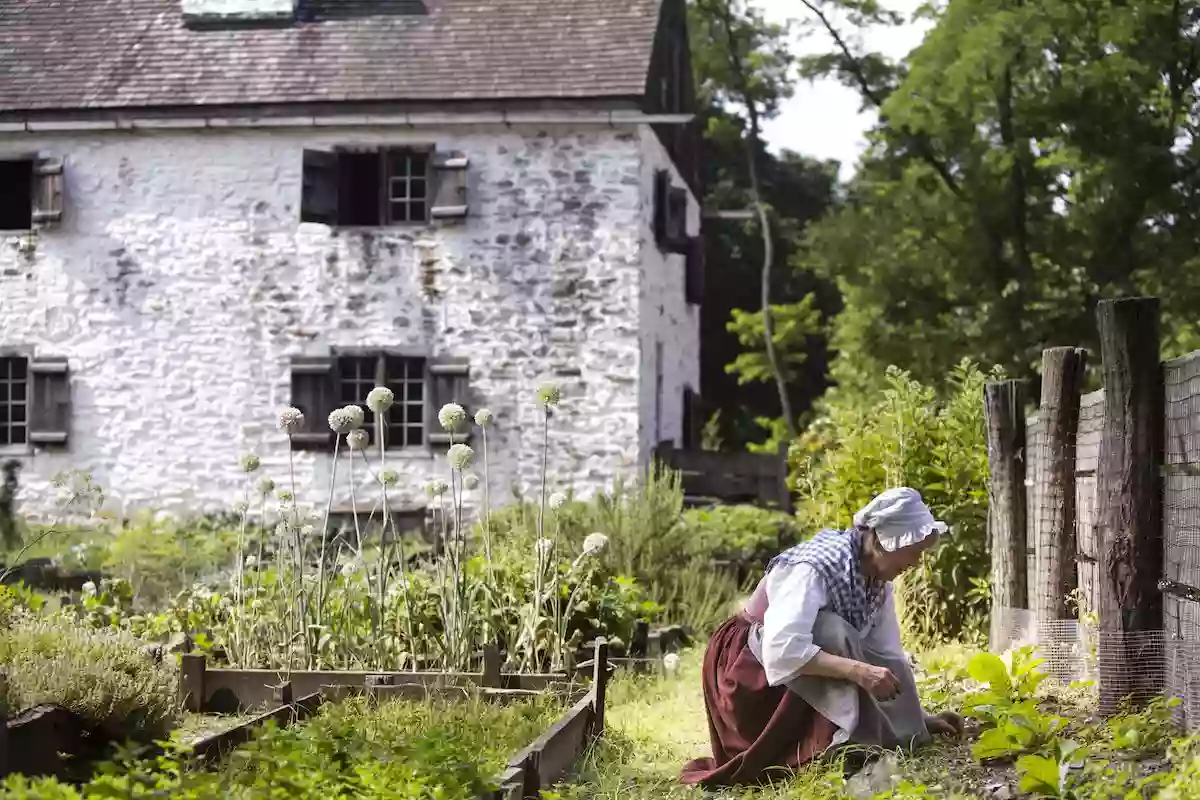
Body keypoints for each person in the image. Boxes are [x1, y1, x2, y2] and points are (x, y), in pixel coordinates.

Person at [680, 487, 965, 788]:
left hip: (784, 665)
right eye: (915, 551)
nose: (917, 562)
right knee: (833, 631)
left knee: (842, 639)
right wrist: (859, 671)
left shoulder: (876, 580)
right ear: (885, 541)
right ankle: (821, 745)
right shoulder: (815, 568)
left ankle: (851, 742)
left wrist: (917, 719)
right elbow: (782, 648)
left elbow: (884, 656)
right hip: (746, 668)